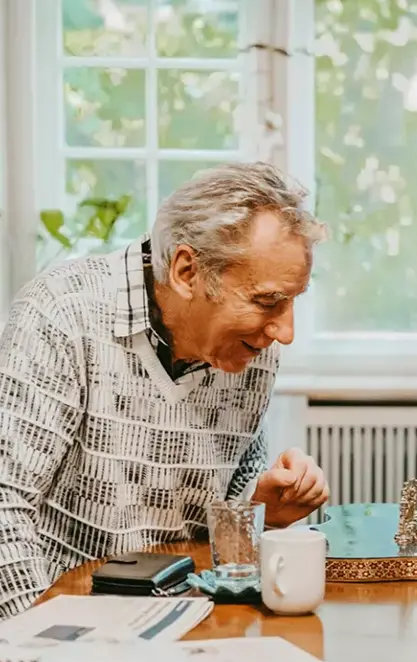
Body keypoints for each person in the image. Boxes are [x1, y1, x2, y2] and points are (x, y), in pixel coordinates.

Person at [0, 162, 330, 617]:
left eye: (293, 300)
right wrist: (42, 643)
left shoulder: (252, 350)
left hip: (182, 624)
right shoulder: (62, 314)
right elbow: (5, 504)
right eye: (267, 301)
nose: (286, 331)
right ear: (186, 271)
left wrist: (260, 509)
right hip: (59, 627)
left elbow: (220, 530)